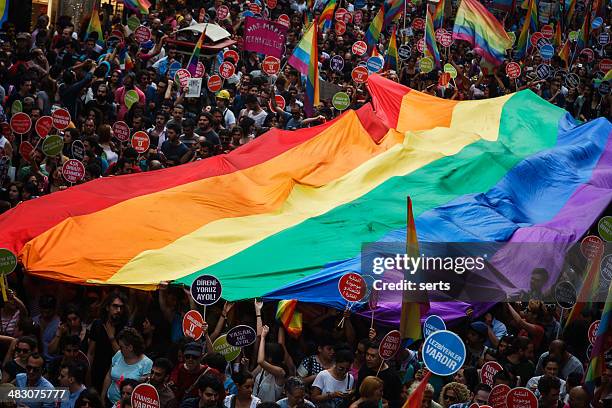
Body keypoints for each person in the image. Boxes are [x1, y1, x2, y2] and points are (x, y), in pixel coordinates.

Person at [88, 292, 129, 391]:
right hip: (97, 371)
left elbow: (123, 356)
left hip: (115, 374)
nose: (118, 310)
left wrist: (111, 337)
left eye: (121, 307)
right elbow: (90, 353)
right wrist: (88, 376)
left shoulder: (125, 329)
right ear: (107, 307)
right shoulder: (98, 325)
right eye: (115, 306)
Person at [102, 328, 153, 406]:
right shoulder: (118, 354)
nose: (120, 349)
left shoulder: (146, 363)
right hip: (110, 401)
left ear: (130, 348)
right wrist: (102, 396)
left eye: (121, 346)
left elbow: (144, 390)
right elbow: (109, 376)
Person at [357, 342, 402, 408]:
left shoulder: (392, 376)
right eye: (367, 354)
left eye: (373, 356)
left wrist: (384, 405)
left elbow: (398, 402)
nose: (368, 358)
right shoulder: (364, 369)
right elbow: (359, 394)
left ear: (382, 358)